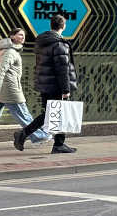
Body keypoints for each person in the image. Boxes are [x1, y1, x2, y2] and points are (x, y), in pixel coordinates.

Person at [0, 27, 48, 150]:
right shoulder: (10, 52)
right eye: (20, 35)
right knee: (23, 114)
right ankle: (38, 136)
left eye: (24, 35)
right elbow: (1, 70)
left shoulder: (4, 50)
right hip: (9, 89)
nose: (23, 38)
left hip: (0, 89)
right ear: (12, 37)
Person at [14, 14, 78, 154]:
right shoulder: (59, 44)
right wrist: (65, 89)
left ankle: (59, 144)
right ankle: (24, 134)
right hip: (55, 86)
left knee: (54, 115)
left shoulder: (43, 43)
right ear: (63, 26)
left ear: (51, 25)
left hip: (45, 85)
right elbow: (62, 70)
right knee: (52, 115)